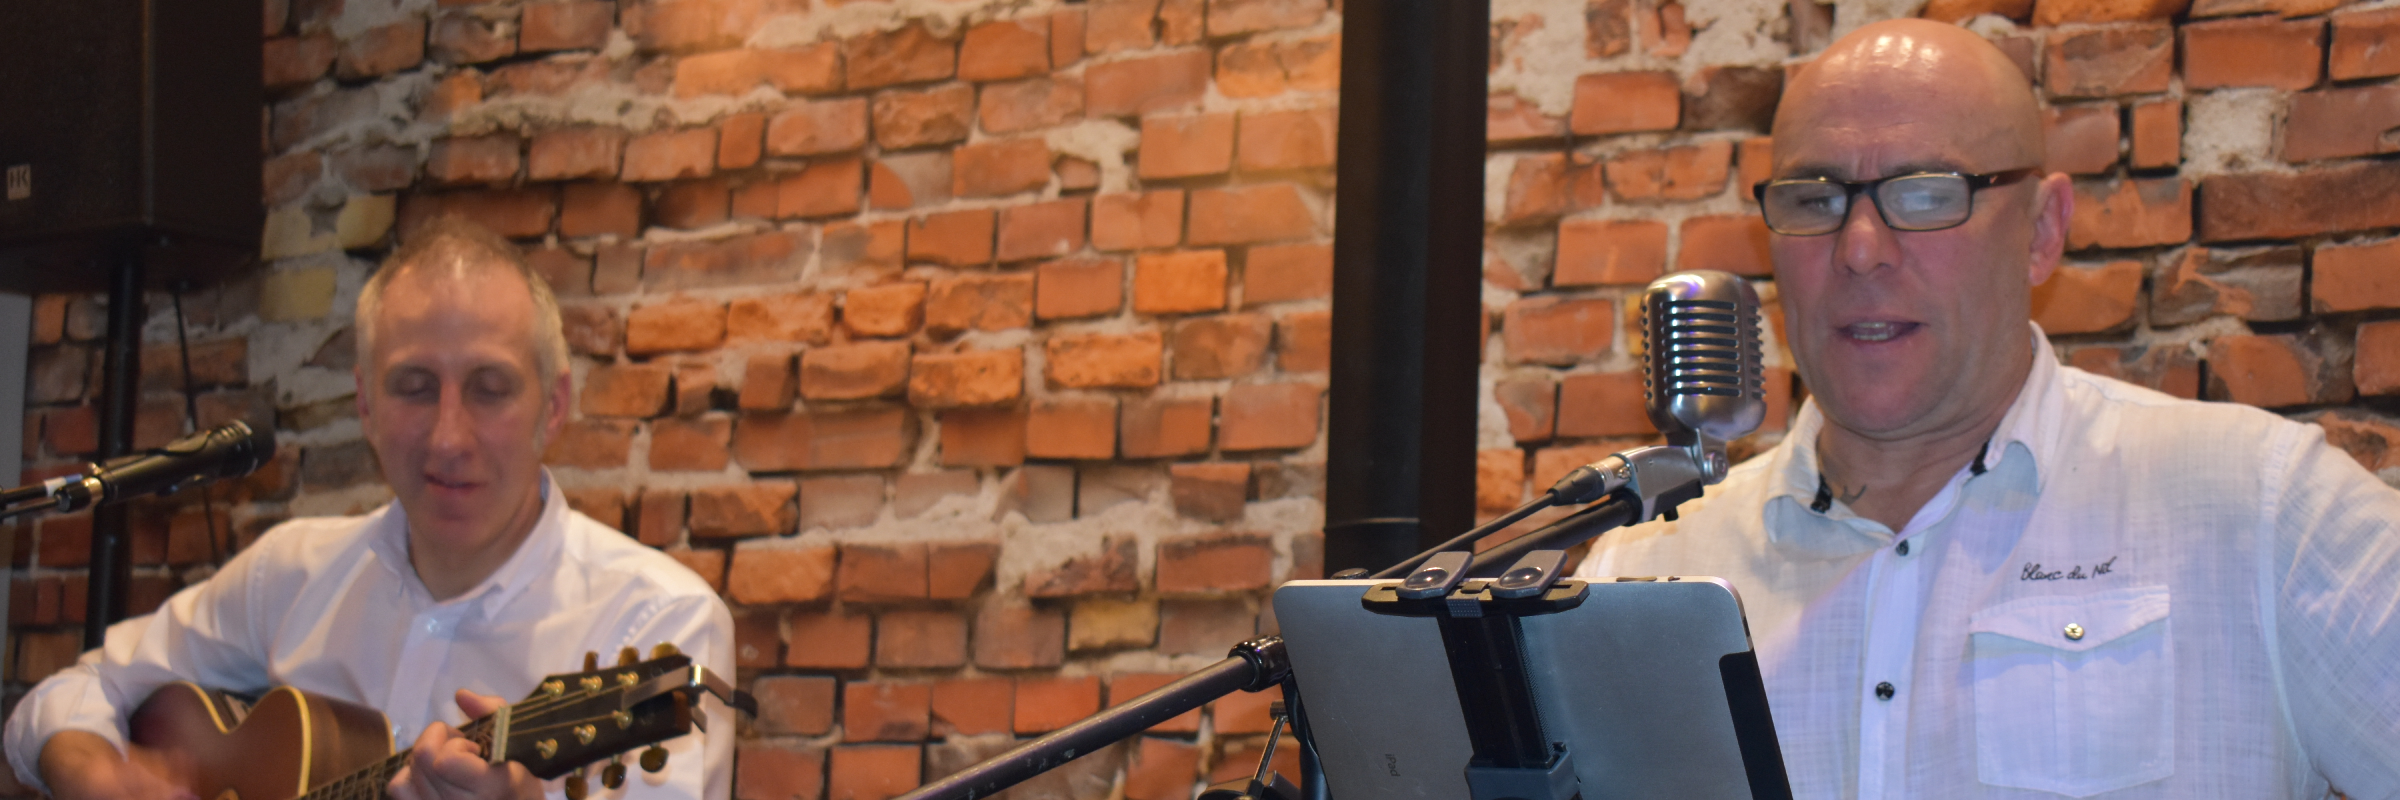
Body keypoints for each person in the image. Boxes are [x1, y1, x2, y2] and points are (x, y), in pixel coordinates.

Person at [1574, 18, 2400, 799]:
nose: (1861, 249)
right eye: (1814, 198)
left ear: (2043, 230)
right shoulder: (1644, 571)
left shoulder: (2257, 509)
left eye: (1928, 194)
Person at [5, 218, 736, 800]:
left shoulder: (656, 627)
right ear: (364, 405)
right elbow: (77, 689)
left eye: (490, 388)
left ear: (554, 406)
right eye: (414, 386)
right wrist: (87, 769)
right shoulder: (289, 574)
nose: (449, 437)